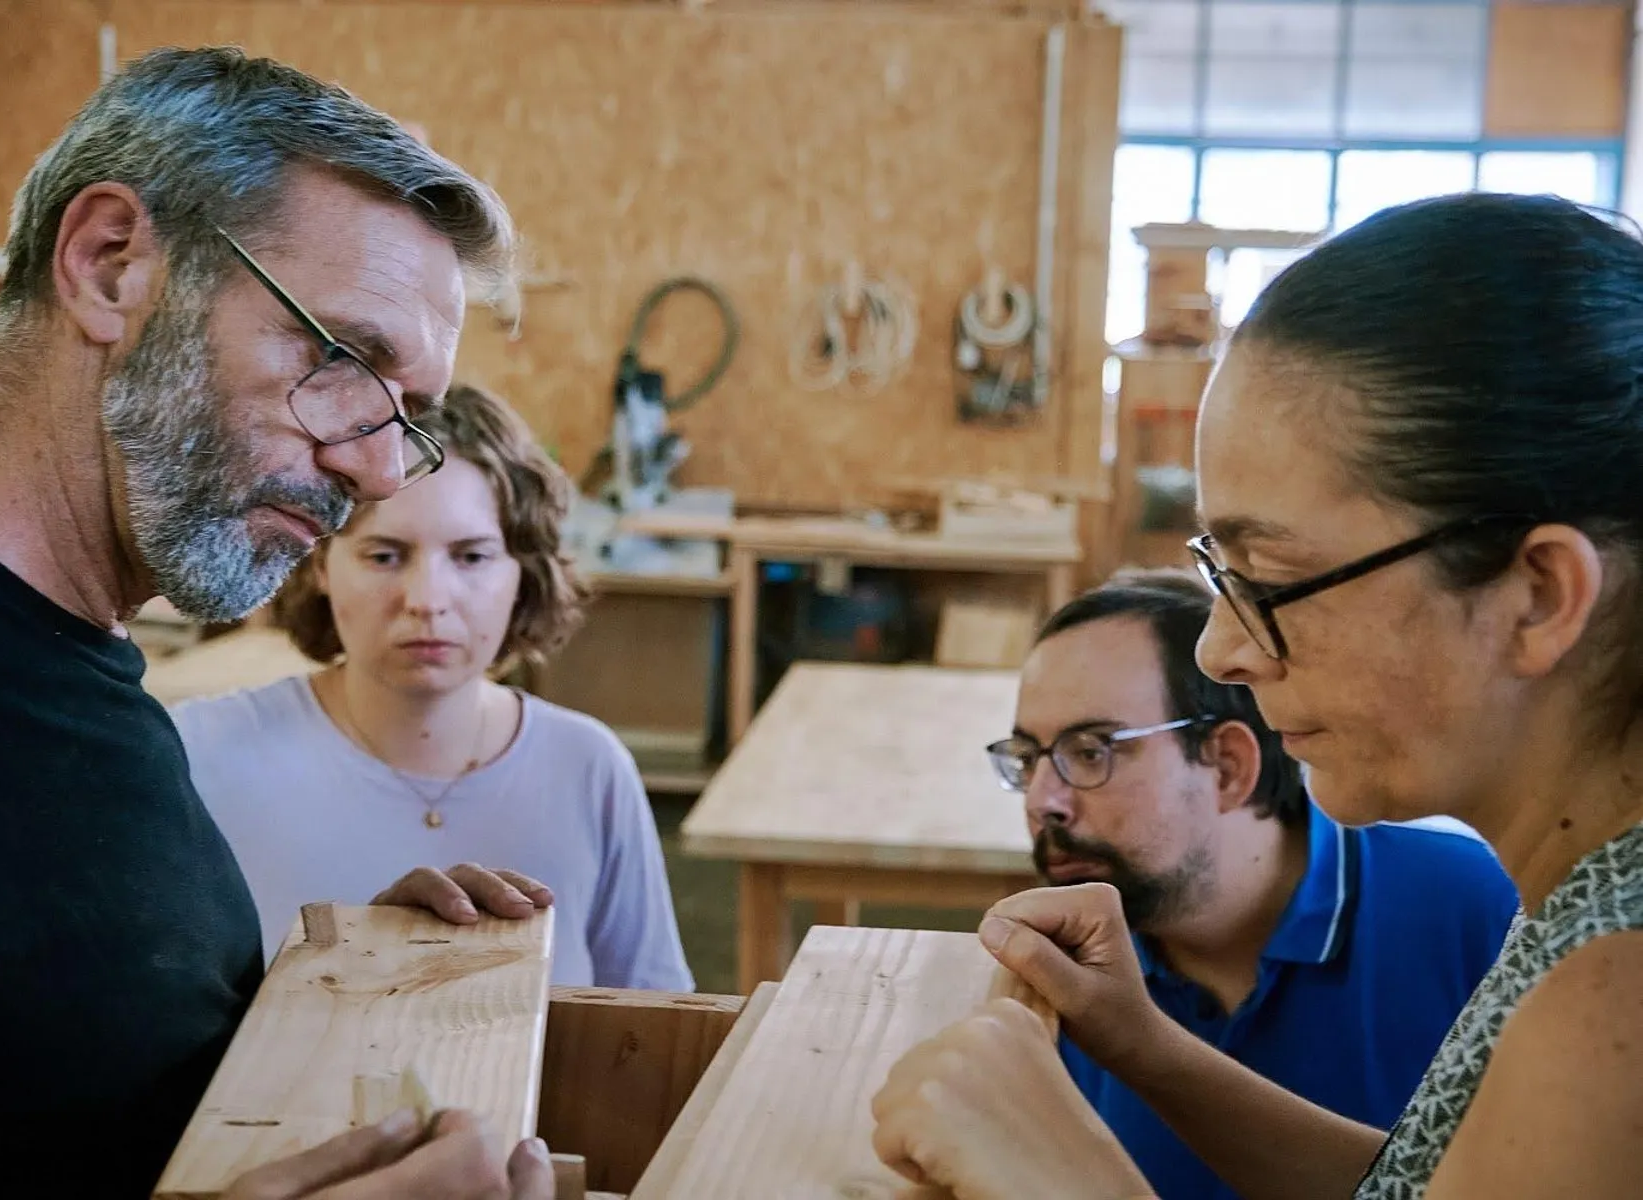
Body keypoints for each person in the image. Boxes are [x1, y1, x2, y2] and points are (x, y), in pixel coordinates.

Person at [0, 46, 562, 1199]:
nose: (377, 473)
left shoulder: (82, 661)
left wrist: (320, 1007)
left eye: (406, 416)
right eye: (340, 359)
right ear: (112, 266)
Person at [870, 192, 1643, 1199]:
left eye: (1271, 579)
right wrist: (1143, 1046)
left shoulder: (1613, 1004)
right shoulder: (1574, 906)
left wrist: (1066, 1177)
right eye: (1218, 573)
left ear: (1537, 596)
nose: (1225, 648)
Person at [986, 569, 1515, 1200]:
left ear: (1229, 766)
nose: (1045, 801)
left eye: (1092, 750)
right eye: (1027, 758)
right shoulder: (1050, 977)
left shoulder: (1478, 912)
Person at [174, 383, 695, 991]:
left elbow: (654, 1030)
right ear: (318, 562)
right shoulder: (202, 756)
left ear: (522, 574)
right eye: (385, 556)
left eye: (471, 557)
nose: (427, 601)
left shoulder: (589, 768)